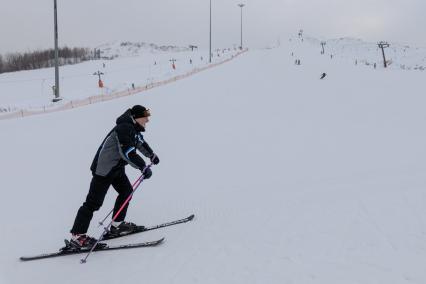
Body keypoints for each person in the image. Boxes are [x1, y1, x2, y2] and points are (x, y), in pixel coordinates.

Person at [69, 105, 160, 249]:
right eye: (145, 117)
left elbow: (140, 142)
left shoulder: (132, 128)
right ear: (136, 117)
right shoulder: (124, 128)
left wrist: (151, 155)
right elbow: (128, 152)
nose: (147, 120)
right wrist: (142, 166)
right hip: (104, 169)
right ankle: (77, 236)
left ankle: (116, 226)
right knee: (93, 203)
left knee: (126, 191)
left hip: (116, 168)